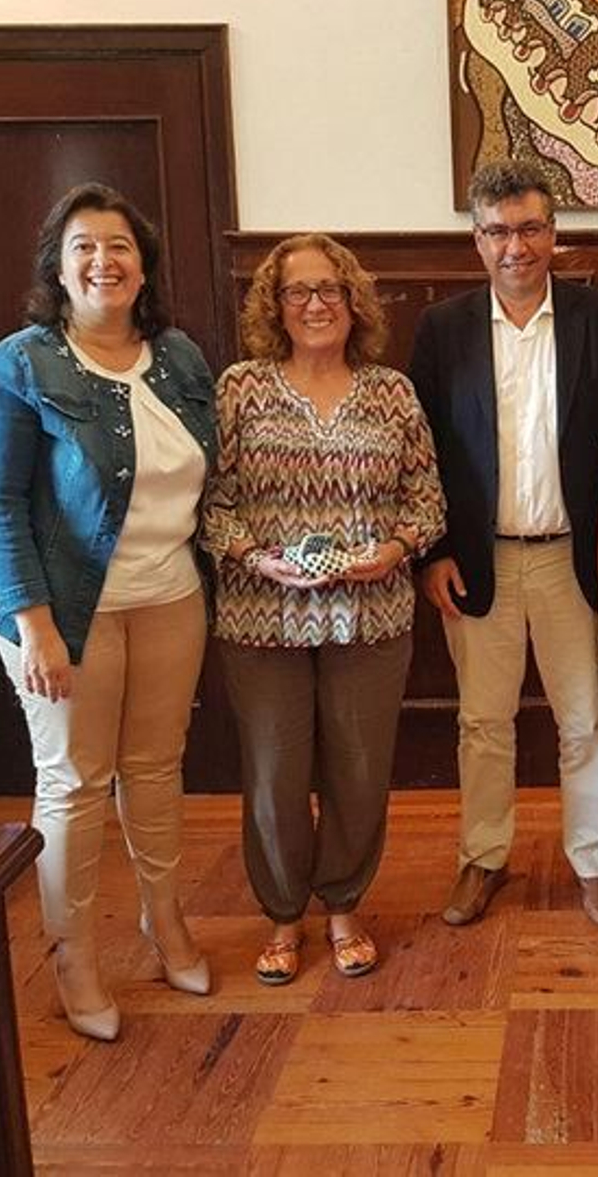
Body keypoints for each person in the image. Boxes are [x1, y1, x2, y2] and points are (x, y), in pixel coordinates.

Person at [0, 182, 215, 1041]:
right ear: (59, 268)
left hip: (170, 595)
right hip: (62, 611)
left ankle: (165, 921)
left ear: (143, 267)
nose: (104, 261)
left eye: (120, 246)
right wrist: (33, 624)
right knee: (73, 782)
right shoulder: (20, 365)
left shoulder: (178, 358)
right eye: (84, 247)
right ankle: (73, 958)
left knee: (156, 768)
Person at [202, 234, 445, 985]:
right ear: (274, 306)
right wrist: (254, 557)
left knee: (359, 771)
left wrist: (395, 549)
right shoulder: (239, 390)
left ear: (353, 301)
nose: (315, 304)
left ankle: (343, 906)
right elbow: (210, 503)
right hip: (260, 617)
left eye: (330, 289)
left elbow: (428, 501)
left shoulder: (392, 392)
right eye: (297, 291)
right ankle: (283, 914)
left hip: (370, 615)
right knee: (274, 774)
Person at [409, 159, 598, 928]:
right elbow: (421, 451)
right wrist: (432, 552)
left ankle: (592, 859)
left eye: (531, 228)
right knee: (483, 722)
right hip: (478, 561)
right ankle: (483, 855)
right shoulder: (443, 330)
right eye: (499, 231)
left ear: (554, 233)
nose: (516, 246)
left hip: (573, 557)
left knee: (586, 720)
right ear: (477, 240)